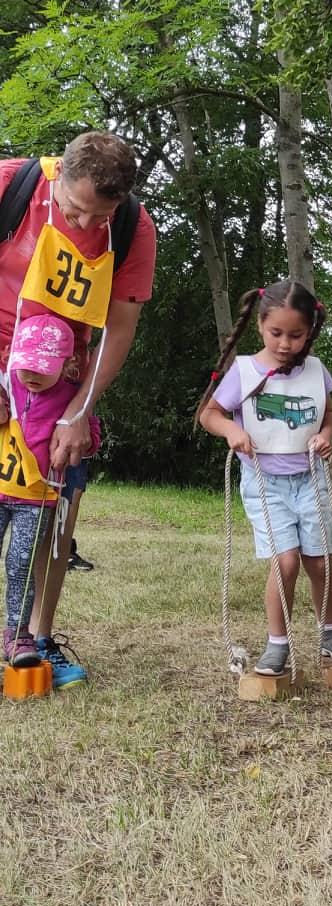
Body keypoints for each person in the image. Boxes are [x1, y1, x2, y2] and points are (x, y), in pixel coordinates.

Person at [0, 133, 156, 686]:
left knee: (55, 513)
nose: (87, 226)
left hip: (64, 383)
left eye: (101, 216)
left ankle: (37, 640)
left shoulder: (134, 228)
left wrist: (78, 410)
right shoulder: (11, 187)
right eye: (74, 210)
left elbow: (120, 328)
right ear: (57, 175)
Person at [197, 279, 332, 677]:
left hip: (311, 479)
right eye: (276, 333)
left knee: (319, 561)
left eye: (296, 335)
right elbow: (209, 415)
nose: (285, 343)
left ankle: (330, 633)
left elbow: (328, 416)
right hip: (265, 483)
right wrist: (233, 432)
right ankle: (277, 644)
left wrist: (325, 437)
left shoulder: (316, 371)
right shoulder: (244, 371)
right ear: (260, 326)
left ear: (310, 332)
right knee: (285, 562)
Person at [0, 313, 101, 683]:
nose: (32, 375)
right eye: (26, 364)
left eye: (43, 368)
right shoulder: (8, 382)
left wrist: (84, 433)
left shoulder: (71, 398)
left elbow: (88, 436)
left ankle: (20, 637)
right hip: (1, 489)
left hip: (36, 501)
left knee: (21, 565)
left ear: (69, 365)